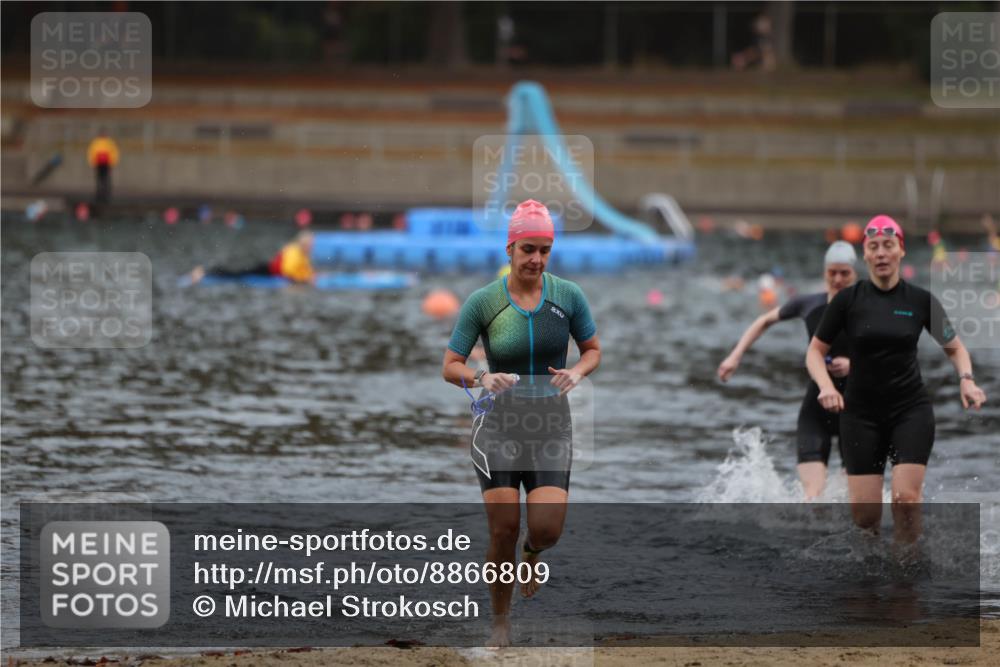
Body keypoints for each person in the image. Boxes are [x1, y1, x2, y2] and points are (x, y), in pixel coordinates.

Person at [441, 199, 600, 648]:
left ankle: (532, 554)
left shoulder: (568, 296)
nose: (536, 259)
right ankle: (500, 622)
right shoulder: (483, 302)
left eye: (545, 250)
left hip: (551, 425)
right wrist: (482, 377)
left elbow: (592, 350)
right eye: (528, 248)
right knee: (503, 529)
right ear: (510, 248)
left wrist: (578, 371)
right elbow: (450, 366)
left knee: (546, 529)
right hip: (498, 428)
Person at [806, 215, 987, 542]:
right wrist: (826, 387)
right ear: (866, 256)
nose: (881, 253)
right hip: (860, 415)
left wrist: (967, 379)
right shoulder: (849, 300)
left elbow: (956, 348)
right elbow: (814, 352)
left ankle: (907, 574)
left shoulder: (920, 301)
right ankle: (872, 584)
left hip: (910, 411)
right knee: (865, 518)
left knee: (905, 500)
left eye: (888, 245)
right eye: (873, 247)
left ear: (901, 250)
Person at [718, 241, 858, 498]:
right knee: (812, 499)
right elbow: (764, 320)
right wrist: (734, 357)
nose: (837, 279)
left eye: (844, 273)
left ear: (855, 274)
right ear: (824, 272)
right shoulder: (810, 304)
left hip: (857, 412)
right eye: (832, 272)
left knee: (854, 500)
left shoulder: (867, 307)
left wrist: (854, 364)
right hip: (815, 410)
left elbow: (889, 352)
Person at [188, 231, 316, 285]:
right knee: (237, 274)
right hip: (267, 270)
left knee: (238, 271)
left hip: (269, 270)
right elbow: (288, 271)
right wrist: (304, 279)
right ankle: (204, 273)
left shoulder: (302, 254)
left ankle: (205, 272)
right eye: (310, 244)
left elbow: (304, 268)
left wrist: (310, 275)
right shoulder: (293, 251)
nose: (312, 247)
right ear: (304, 244)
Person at [87, 129, 120, 208]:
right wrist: (93, 162)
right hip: (98, 164)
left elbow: (114, 152)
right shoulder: (96, 142)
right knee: (99, 179)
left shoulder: (109, 142)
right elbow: (91, 152)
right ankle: (99, 195)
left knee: (106, 179)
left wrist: (112, 162)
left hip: (107, 164)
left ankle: (106, 195)